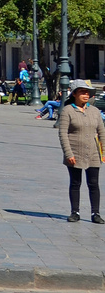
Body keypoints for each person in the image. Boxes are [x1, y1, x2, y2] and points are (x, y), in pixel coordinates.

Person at [57, 85, 105, 223]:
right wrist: (68, 153)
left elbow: (102, 132)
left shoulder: (94, 111)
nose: (85, 94)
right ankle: (75, 212)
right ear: (74, 94)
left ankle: (95, 213)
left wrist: (103, 151)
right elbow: (63, 133)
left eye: (87, 92)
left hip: (93, 151)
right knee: (75, 182)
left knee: (94, 183)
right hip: (74, 151)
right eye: (82, 92)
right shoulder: (68, 110)